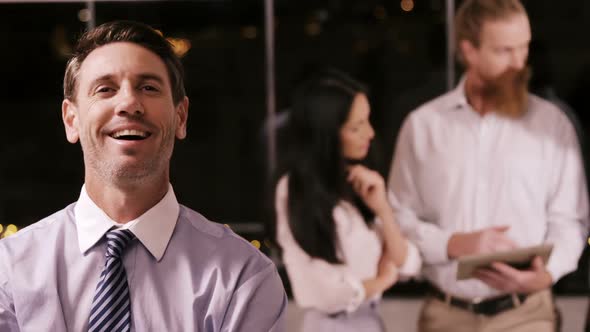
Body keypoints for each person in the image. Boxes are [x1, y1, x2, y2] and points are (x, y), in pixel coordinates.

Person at [0, 20, 287, 331]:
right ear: (72, 120)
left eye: (148, 87)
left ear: (181, 117)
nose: (129, 104)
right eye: (105, 89)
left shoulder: (242, 277)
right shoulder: (10, 271)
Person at [388, 0, 589, 331]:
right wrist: (454, 244)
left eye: (524, 48)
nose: (519, 62)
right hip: (445, 315)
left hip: (527, 314)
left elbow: (571, 221)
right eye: (504, 51)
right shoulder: (423, 127)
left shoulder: (553, 126)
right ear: (469, 51)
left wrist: (546, 276)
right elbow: (397, 219)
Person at [273, 70, 421, 331]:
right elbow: (323, 291)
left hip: (370, 321)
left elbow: (406, 261)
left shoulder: (359, 183)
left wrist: (383, 210)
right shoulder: (295, 189)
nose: (370, 133)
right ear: (327, 134)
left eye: (367, 121)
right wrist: (382, 281)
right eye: (356, 127)